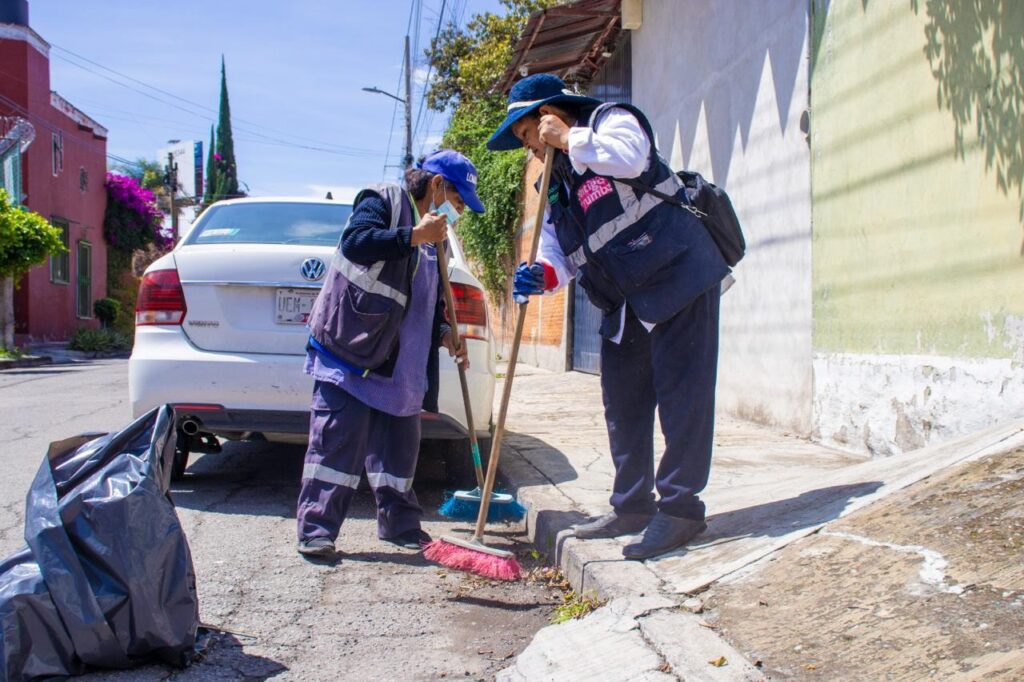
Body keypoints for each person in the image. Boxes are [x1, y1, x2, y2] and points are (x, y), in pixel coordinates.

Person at [487, 74, 730, 560]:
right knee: (624, 402)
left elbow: (630, 159)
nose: (530, 149)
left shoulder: (608, 123)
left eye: (527, 134)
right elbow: (564, 252)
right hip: (625, 300)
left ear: (549, 115)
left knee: (683, 397)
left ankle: (681, 510)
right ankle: (632, 506)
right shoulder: (552, 184)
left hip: (677, 272)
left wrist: (569, 138)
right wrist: (543, 273)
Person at [295, 149, 484, 558]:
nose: (459, 213)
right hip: (353, 351)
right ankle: (316, 530)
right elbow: (357, 243)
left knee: (399, 455)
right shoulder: (382, 202)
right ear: (436, 186)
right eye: (457, 201)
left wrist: (447, 333)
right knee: (336, 445)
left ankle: (400, 526)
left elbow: (431, 299)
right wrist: (414, 236)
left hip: (402, 366)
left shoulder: (439, 240)